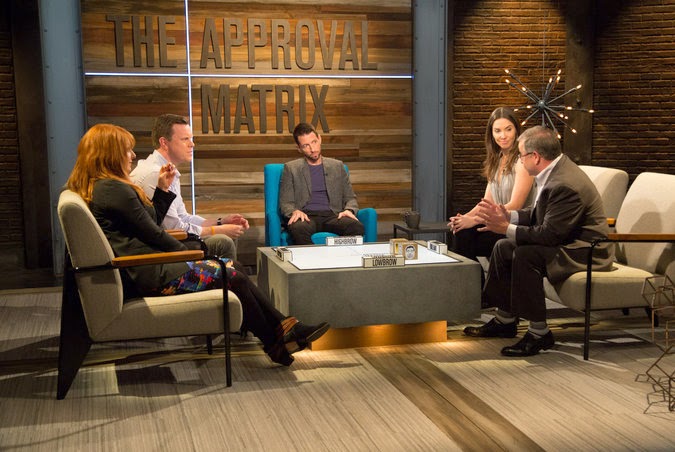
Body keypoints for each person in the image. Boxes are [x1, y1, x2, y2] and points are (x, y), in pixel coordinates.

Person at [67, 123, 329, 366]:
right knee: (233, 274)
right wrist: (188, 256)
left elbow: (149, 223)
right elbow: (155, 234)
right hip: (152, 274)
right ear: (110, 154)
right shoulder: (115, 190)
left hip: (146, 268)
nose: (133, 155)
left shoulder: (103, 187)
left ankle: (282, 333)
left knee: (234, 268)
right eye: (127, 150)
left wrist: (161, 191)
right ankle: (278, 338)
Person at [462, 125, 614, 357]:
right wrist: (508, 216)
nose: (520, 161)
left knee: (525, 254)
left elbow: (549, 235)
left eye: (521, 156)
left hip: (584, 250)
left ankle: (539, 333)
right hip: (566, 240)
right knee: (504, 246)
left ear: (535, 157)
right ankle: (505, 320)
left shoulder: (564, 183)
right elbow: (539, 214)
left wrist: (505, 228)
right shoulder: (553, 171)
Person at [131, 114, 248, 261]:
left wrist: (221, 222)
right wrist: (217, 230)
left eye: (191, 139)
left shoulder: (166, 169)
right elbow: (172, 227)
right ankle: (228, 274)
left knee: (225, 234)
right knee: (223, 241)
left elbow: (183, 217)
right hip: (160, 250)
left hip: (170, 241)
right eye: (185, 139)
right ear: (164, 143)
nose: (192, 144)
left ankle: (229, 274)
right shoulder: (155, 174)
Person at [448, 107, 535, 263]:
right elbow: (487, 202)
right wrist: (464, 218)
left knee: (465, 238)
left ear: (516, 130)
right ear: (491, 134)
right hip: (496, 222)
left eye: (508, 129)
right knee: (460, 230)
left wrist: (476, 220)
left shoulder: (522, 161)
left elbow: (515, 205)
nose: (503, 136)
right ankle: (473, 278)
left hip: (516, 226)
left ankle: (472, 278)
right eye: (497, 131)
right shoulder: (496, 160)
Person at [279, 122, 365, 245]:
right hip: (306, 217)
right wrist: (294, 211)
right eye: (306, 146)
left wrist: (349, 210)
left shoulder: (337, 166)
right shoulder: (290, 168)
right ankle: (313, 257)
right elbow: (286, 203)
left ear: (319, 139)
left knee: (356, 227)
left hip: (333, 216)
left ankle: (338, 256)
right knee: (298, 228)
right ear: (299, 148)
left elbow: (350, 198)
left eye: (314, 142)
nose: (313, 149)